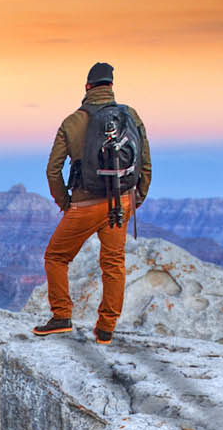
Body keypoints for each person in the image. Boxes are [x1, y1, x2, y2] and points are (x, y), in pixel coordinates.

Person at [37, 61, 152, 342]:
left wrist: (65, 203)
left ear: (88, 87)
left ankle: (62, 315)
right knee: (113, 264)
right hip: (120, 203)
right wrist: (136, 198)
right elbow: (145, 163)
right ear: (111, 87)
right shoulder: (131, 116)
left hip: (85, 205)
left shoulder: (72, 121)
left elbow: (53, 169)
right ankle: (105, 329)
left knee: (56, 257)